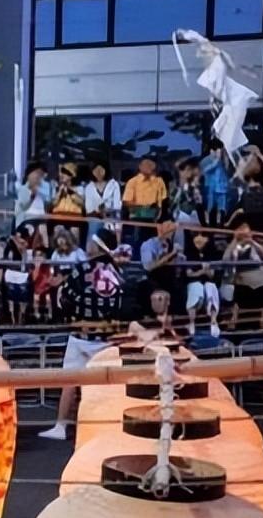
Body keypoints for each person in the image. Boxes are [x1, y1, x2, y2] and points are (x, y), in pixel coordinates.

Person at [38, 229, 128, 441]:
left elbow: (65, 298)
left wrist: (72, 316)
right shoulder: (117, 272)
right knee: (104, 387)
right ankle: (102, 428)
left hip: (80, 334)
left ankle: (61, 425)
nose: (88, 246)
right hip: (106, 336)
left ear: (96, 246)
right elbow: (122, 306)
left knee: (69, 381)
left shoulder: (81, 269)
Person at [184, 228, 223, 338]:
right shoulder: (188, 254)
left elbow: (212, 275)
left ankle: (213, 322)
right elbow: (189, 274)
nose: (199, 239)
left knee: (210, 287)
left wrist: (203, 272)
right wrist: (203, 271)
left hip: (208, 282)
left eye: (203, 236)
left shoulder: (214, 254)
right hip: (192, 283)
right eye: (196, 235)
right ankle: (192, 322)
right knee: (197, 287)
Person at [82, 161, 121, 243]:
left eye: (101, 170)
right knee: (94, 226)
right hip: (95, 217)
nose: (98, 173)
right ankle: (91, 251)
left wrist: (107, 211)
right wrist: (99, 212)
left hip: (111, 217)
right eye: (96, 170)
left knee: (113, 228)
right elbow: (88, 208)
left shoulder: (114, 184)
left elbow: (117, 205)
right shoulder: (89, 187)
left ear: (106, 170)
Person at [122, 157, 168, 224]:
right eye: (146, 164)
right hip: (136, 218)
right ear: (140, 166)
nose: (148, 166)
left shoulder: (159, 182)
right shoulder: (132, 182)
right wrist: (142, 208)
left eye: (150, 164)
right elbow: (126, 202)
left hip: (156, 219)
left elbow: (163, 200)